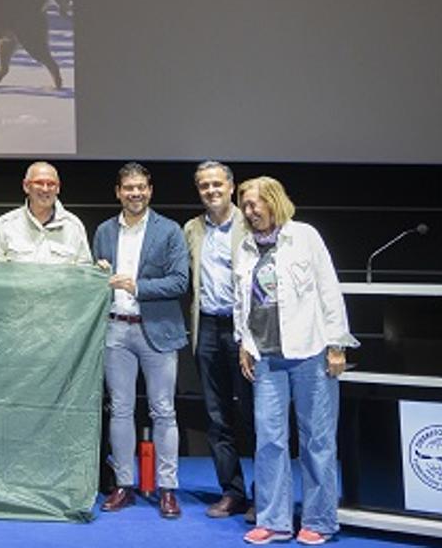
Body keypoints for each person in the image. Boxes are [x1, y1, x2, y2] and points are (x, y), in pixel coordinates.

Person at [234, 177, 358, 546]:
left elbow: (328, 289)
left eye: (256, 204)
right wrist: (244, 342)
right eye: (246, 205)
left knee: (317, 441)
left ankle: (319, 519)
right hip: (267, 356)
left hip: (310, 351)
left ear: (274, 203)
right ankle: (274, 521)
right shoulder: (243, 247)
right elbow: (243, 301)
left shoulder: (305, 236)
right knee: (269, 440)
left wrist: (337, 344)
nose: (250, 211)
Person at [91, 163, 188, 519]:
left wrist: (136, 286)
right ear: (118, 191)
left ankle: (167, 489)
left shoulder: (170, 230)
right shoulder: (103, 231)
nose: (135, 193)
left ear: (150, 190)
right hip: (115, 330)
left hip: (158, 332)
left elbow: (180, 281)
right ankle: (124, 485)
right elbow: (93, 279)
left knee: (164, 411)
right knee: (120, 410)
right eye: (128, 188)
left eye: (141, 188)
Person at [182, 161, 254, 520]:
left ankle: (265, 495)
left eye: (216, 184)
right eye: (204, 186)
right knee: (217, 416)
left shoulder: (252, 222)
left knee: (256, 416)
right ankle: (232, 492)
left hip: (246, 332)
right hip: (207, 329)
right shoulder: (192, 229)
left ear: (230, 186)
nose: (211, 191)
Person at [0, 161, 92, 264]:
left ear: (58, 188)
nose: (45, 189)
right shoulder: (5, 225)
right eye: (39, 183)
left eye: (51, 184)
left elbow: (84, 273)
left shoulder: (74, 226)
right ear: (26, 186)